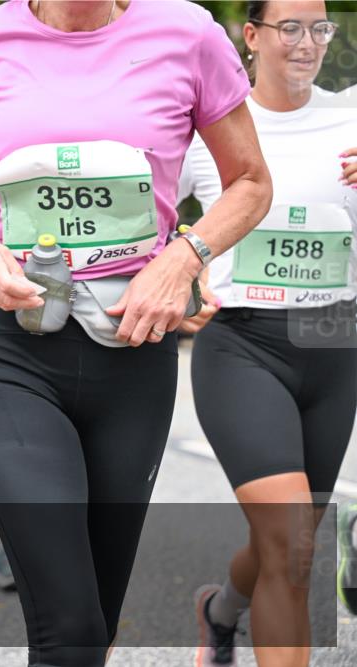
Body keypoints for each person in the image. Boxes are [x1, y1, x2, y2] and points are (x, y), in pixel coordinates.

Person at [0, 1, 273, 664]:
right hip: (11, 346)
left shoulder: (187, 34)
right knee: (70, 626)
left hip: (134, 347)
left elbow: (251, 182)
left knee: (97, 619)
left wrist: (183, 257)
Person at [177, 2, 356, 664]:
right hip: (242, 345)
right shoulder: (210, 130)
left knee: (292, 539)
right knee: (288, 537)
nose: (307, 42)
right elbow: (150, 220)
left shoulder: (353, 115)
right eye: (290, 26)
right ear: (250, 35)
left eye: (320, 27)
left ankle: (219, 611)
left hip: (334, 340)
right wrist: (177, 274)